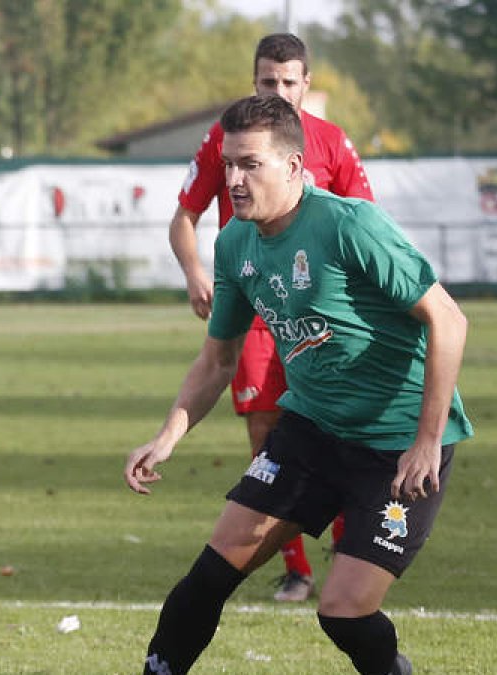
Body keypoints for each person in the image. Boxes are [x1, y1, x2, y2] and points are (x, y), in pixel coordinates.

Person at [126, 94, 472, 675]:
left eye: (249, 164)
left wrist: (425, 440)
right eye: (228, 164)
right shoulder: (235, 243)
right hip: (311, 431)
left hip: (396, 445)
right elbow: (218, 359)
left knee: (343, 613)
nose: (232, 179)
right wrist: (168, 435)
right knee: (209, 575)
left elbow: (449, 319)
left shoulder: (349, 225)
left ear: (292, 166)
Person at [168, 33, 374, 601]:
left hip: (320, 318)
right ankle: (296, 566)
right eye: (267, 81)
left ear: (306, 83)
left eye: (288, 81)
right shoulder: (224, 139)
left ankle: (347, 553)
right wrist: (195, 273)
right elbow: (183, 218)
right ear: (254, 80)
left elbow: (366, 222)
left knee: (335, 426)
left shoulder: (332, 143)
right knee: (265, 430)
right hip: (257, 306)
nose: (279, 91)